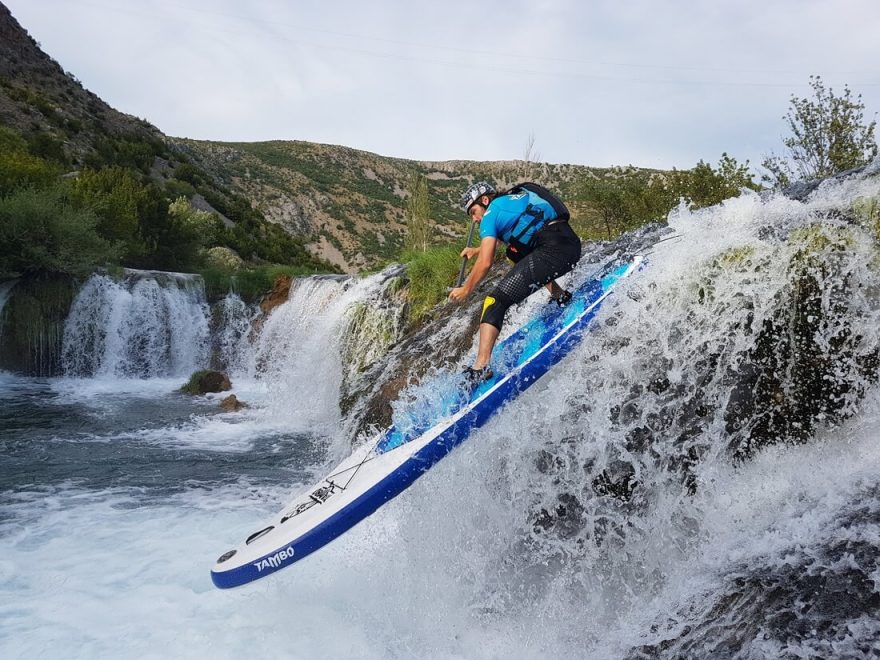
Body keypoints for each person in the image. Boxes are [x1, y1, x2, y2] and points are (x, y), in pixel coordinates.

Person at [448, 181, 582, 382]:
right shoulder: (509, 201)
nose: (474, 219)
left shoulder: (490, 213)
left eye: (474, 211)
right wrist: (476, 250)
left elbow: (486, 263)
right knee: (514, 252)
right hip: (569, 245)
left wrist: (466, 289)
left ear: (485, 200)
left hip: (552, 252)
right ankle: (560, 295)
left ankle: (481, 367)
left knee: (494, 302)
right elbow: (517, 232)